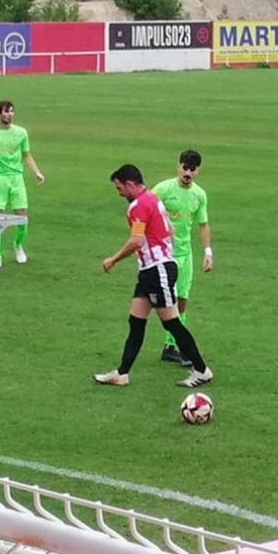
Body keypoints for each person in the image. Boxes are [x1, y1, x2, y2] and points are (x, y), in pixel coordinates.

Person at [94, 164, 214, 388]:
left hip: (156, 270)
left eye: (119, 188)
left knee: (172, 324)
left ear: (130, 184)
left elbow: (136, 240)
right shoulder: (153, 198)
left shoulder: (138, 206)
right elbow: (170, 227)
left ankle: (201, 370)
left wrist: (113, 259)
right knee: (136, 321)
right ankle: (122, 373)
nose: (119, 193)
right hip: (152, 269)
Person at [152, 150, 213, 365]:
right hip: (165, 256)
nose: (188, 172)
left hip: (185, 255)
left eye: (192, 169)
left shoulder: (199, 195)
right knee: (170, 302)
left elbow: (203, 225)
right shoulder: (163, 189)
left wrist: (207, 252)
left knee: (183, 301)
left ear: (198, 171)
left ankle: (171, 347)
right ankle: (176, 346)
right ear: (178, 166)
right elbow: (145, 210)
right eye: (184, 167)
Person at [0, 100, 46, 271]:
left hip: (16, 178)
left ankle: (18, 246)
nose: (10, 115)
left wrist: (36, 172)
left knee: (22, 217)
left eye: (12, 111)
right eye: (6, 112)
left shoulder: (21, 133)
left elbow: (26, 155)